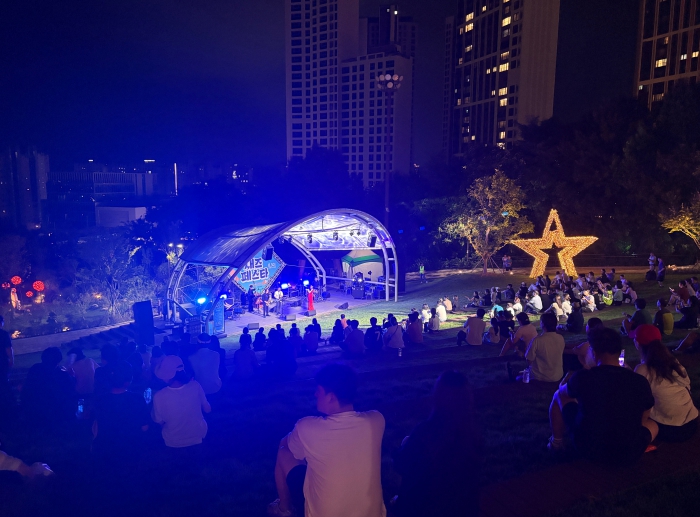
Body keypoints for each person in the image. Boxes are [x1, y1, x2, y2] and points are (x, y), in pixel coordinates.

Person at [267, 364, 386, 517]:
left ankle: (284, 508)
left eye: (319, 390)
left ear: (331, 397)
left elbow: (284, 444)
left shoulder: (307, 427)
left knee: (284, 452)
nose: (316, 394)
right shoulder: (376, 420)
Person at [548, 328, 657, 465]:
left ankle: (556, 442)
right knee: (653, 425)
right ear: (619, 352)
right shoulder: (638, 380)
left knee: (558, 395)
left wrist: (568, 380)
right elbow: (646, 411)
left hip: (588, 448)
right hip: (629, 452)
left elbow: (563, 392)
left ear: (594, 353)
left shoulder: (583, 377)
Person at [391, 371, 480, 517]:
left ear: (438, 397)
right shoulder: (472, 433)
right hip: (460, 506)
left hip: (424, 507)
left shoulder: (426, 432)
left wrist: (404, 445)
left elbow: (401, 465)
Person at [633, 325, 698, 442]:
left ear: (637, 343)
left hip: (670, 428)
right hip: (692, 423)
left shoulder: (643, 369)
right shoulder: (673, 362)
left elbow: (636, 400)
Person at [92, 360, 150, 470]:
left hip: (106, 446)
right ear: (128, 381)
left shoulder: (99, 399)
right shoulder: (137, 399)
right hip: (131, 447)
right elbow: (145, 427)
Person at [152, 355, 211, 449]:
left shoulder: (159, 396)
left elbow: (159, 421)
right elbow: (207, 409)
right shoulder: (195, 385)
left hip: (173, 440)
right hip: (198, 435)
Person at [22, 347, 77, 427]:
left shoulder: (35, 369)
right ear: (59, 359)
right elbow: (71, 389)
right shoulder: (61, 374)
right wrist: (72, 376)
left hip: (35, 407)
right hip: (55, 410)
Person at [521, 313, 565, 382]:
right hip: (558, 375)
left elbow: (529, 360)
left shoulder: (537, 340)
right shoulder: (560, 338)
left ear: (542, 324)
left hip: (541, 377)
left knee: (518, 378)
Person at [0, 314, 14, 415]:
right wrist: (11, 360)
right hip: (2, 362)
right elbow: (8, 349)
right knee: (4, 381)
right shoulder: (4, 334)